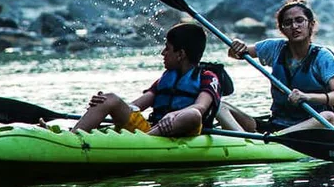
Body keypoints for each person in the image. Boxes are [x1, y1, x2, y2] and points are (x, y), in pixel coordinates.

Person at [223, 0, 334, 135]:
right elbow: (236, 54)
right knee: (221, 107)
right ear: (282, 29)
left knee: (329, 116)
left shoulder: (323, 57)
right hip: (277, 125)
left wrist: (307, 97)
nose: (294, 26)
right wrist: (235, 46)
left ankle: (276, 140)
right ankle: (244, 138)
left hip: (313, 125)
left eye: (299, 20)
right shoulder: (274, 47)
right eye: (288, 23)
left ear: (311, 24)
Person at [73, 22, 222, 136]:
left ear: (180, 54)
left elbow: (200, 107)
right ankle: (73, 137)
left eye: (167, 48)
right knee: (111, 99)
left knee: (193, 115)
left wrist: (175, 114)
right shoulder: (164, 79)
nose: (163, 53)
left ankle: (145, 142)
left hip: (185, 131)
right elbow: (136, 106)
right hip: (154, 130)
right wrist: (105, 104)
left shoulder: (207, 77)